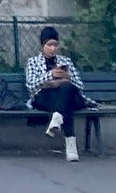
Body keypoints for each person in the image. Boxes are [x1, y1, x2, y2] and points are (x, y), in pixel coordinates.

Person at [24, 26, 93, 162]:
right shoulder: (32, 62)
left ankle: (57, 118)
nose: (53, 48)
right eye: (49, 45)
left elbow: (80, 86)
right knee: (65, 102)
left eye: (55, 45)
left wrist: (67, 78)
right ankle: (71, 145)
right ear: (42, 45)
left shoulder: (65, 61)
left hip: (67, 95)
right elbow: (31, 85)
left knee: (67, 89)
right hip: (46, 98)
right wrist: (51, 75)